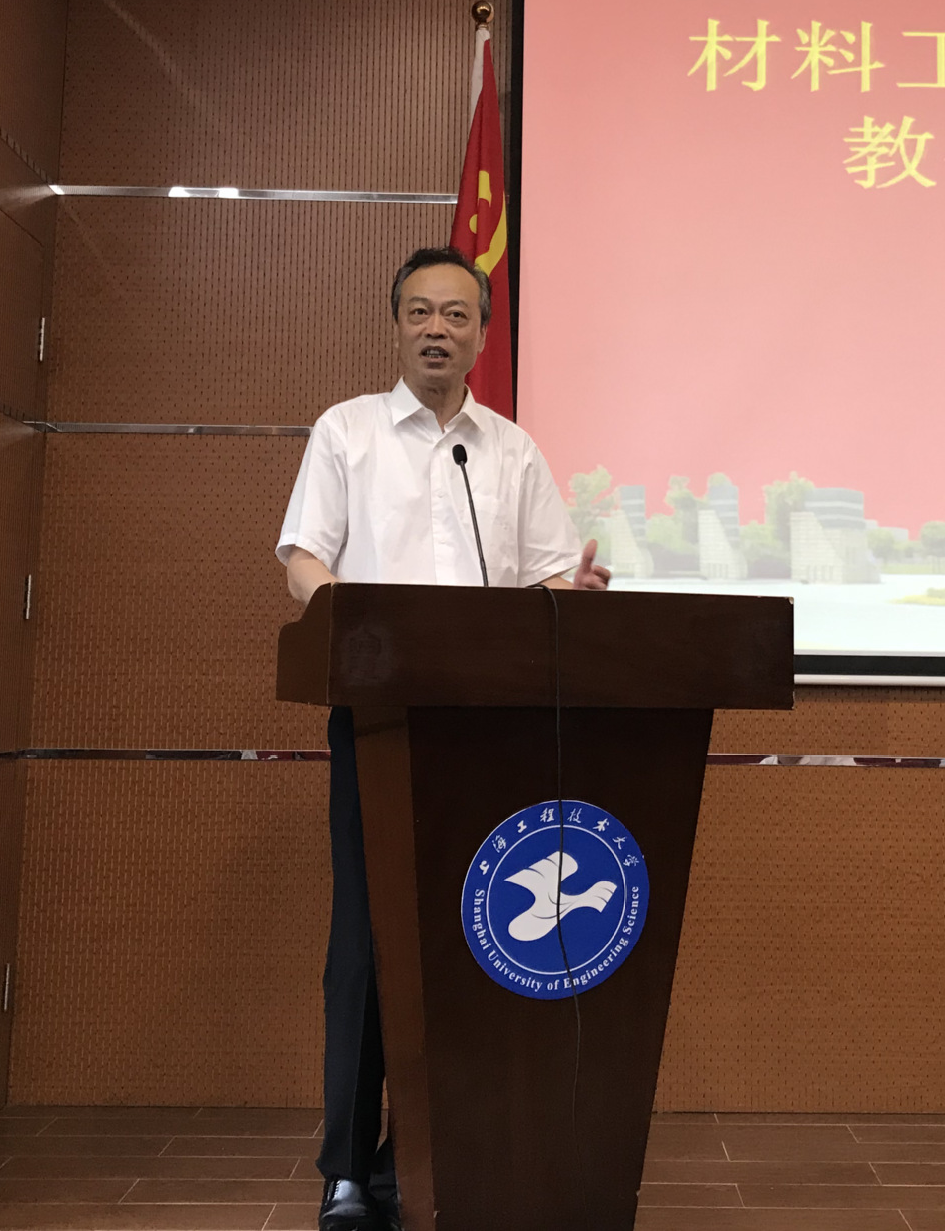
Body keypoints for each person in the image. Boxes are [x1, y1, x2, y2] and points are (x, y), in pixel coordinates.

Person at [277, 246, 610, 1231]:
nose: (437, 329)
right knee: (366, 941)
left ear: (481, 334)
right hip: (379, 718)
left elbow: (545, 575)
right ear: (396, 325)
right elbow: (302, 559)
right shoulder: (346, 432)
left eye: (456, 315)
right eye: (420, 311)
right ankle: (348, 1167)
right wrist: (355, 625)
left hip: (487, 728)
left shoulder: (507, 450)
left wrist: (573, 591)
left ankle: (431, 1150)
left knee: (473, 937)